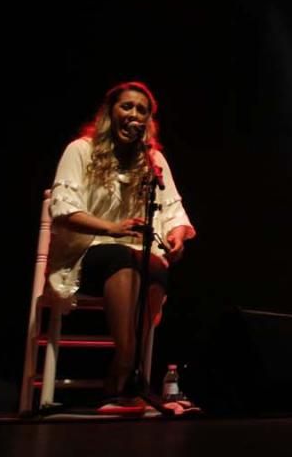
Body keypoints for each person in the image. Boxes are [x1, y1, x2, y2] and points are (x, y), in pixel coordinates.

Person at [46, 81, 196, 409]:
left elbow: (174, 211)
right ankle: (127, 372)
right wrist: (113, 228)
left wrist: (176, 238)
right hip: (87, 252)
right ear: (109, 113)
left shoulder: (152, 160)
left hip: (136, 257)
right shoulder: (80, 150)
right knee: (123, 257)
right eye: (127, 106)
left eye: (142, 110)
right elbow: (64, 209)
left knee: (155, 264)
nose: (134, 115)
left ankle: (124, 377)